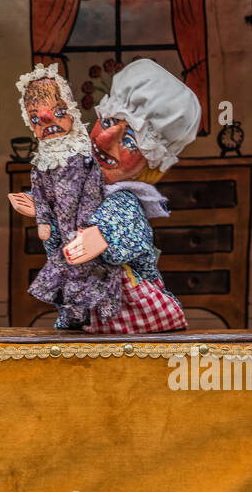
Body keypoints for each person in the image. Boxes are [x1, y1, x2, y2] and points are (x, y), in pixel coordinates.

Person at [11, 59, 199, 334]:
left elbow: (128, 228)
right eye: (108, 121)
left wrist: (101, 236)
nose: (103, 139)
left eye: (129, 140)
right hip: (87, 316)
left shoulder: (125, 199)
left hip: (128, 315)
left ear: (152, 159)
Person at [10, 64, 121, 329]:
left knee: (86, 269)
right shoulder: (42, 165)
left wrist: (84, 224)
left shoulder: (83, 158)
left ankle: (99, 311)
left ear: (70, 112)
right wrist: (43, 220)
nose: (47, 122)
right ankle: (73, 313)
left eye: (58, 113)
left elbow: (92, 190)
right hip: (59, 232)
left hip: (84, 229)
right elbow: (40, 194)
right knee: (65, 273)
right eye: (35, 118)